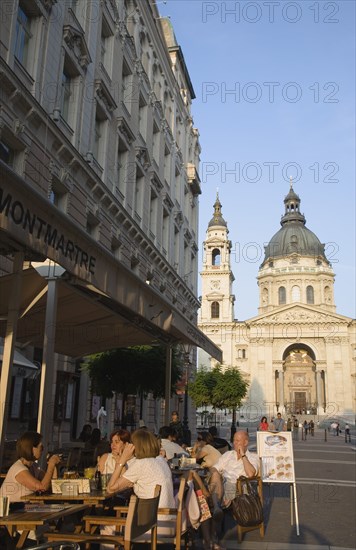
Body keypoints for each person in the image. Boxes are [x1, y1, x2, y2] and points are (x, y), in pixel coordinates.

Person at [107, 429, 176, 534]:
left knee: (106, 528)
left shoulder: (141, 464)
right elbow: (129, 480)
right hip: (168, 522)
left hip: (151, 526)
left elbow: (110, 489)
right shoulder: (160, 460)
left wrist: (122, 460)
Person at [0, 431, 61, 543]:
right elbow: (42, 487)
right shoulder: (19, 469)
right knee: (53, 517)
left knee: (58, 514)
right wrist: (51, 465)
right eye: (40, 447)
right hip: (12, 514)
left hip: (26, 510)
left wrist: (54, 466)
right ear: (31, 449)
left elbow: (51, 484)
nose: (42, 450)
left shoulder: (33, 466)